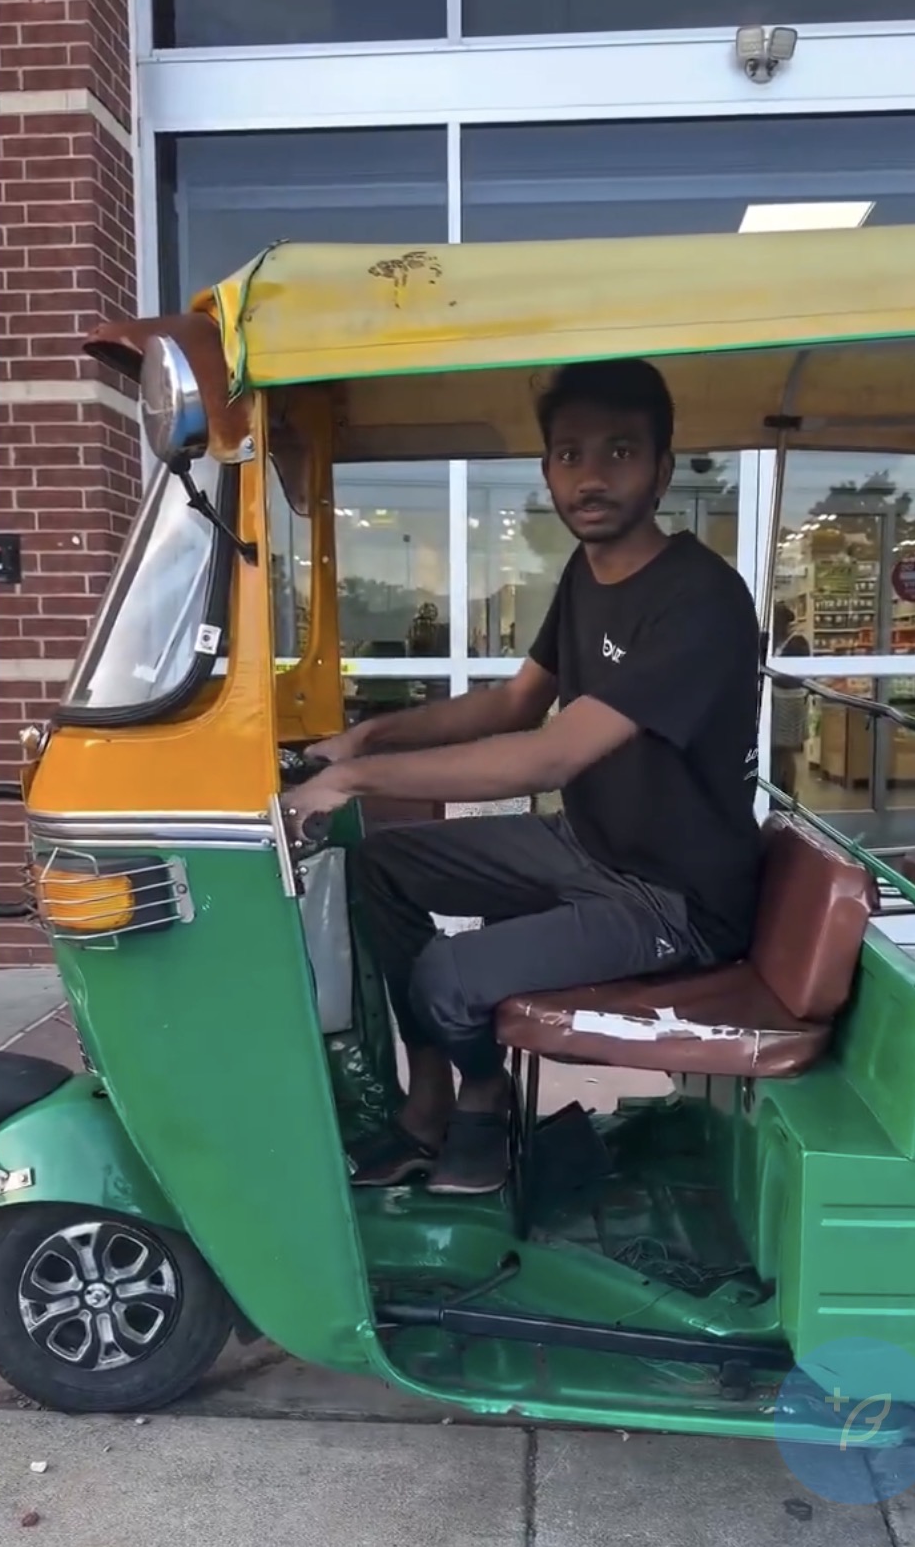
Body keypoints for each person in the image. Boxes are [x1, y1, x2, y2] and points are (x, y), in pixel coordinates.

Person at [281, 358, 763, 1196]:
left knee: (448, 977)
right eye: (570, 455)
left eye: (619, 452)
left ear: (661, 470)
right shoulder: (585, 575)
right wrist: (365, 735)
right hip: (589, 846)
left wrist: (354, 781)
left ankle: (484, 1093)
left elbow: (552, 752)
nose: (591, 477)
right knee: (381, 866)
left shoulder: (702, 599)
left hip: (674, 900)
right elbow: (513, 702)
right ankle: (430, 1097)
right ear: (547, 471)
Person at [769, 602, 811, 795]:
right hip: (778, 702)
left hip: (790, 703)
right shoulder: (779, 642)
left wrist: (771, 677)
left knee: (785, 751)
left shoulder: (797, 643)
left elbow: (792, 677)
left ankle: (788, 792)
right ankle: (779, 788)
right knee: (778, 751)